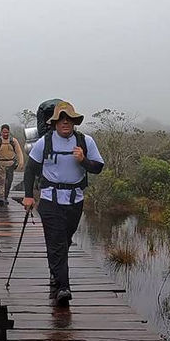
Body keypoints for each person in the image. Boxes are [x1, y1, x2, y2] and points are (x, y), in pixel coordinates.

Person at [22, 101, 104, 305]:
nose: (65, 123)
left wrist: (83, 160)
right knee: (58, 241)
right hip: (50, 200)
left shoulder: (86, 142)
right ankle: (63, 287)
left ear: (74, 122)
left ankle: (54, 271)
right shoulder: (45, 142)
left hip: (75, 201)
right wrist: (28, 196)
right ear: (55, 122)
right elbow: (30, 169)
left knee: (63, 241)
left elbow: (97, 168)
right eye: (61, 119)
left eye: (69, 119)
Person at [0, 124, 24, 207]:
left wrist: (21, 162)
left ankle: (5, 197)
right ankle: (1, 198)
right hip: (0, 164)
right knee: (1, 182)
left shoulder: (13, 141)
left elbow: (19, 152)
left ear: (9, 132)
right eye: (4, 132)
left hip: (10, 164)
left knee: (9, 182)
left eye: (7, 132)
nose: (5, 134)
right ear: (1, 132)